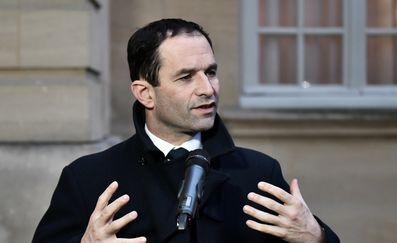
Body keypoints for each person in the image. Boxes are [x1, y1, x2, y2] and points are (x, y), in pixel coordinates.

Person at [32, 18, 339, 243]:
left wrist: (317, 238)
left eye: (211, 72)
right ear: (145, 93)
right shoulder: (88, 178)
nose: (208, 89)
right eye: (186, 77)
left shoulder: (259, 173)